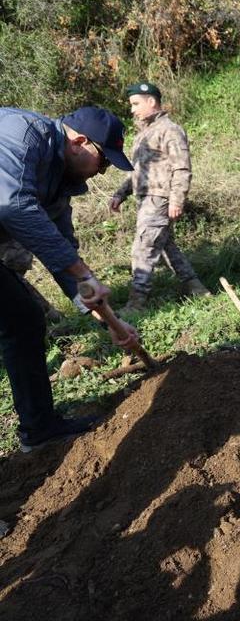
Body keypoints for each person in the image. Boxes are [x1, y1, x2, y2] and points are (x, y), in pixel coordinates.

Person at [0, 106, 141, 450]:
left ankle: (40, 428)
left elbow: (62, 250)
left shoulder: (60, 181)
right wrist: (81, 272)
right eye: (103, 161)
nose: (102, 171)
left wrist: (109, 320)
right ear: (79, 142)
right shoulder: (21, 134)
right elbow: (13, 206)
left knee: (23, 319)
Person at [110, 82, 210, 311]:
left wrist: (177, 200)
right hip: (145, 198)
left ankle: (136, 303)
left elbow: (181, 168)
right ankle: (195, 287)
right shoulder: (144, 134)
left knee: (143, 247)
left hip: (159, 198)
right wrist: (121, 193)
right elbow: (138, 171)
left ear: (151, 102)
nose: (132, 110)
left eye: (136, 104)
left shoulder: (170, 130)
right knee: (165, 245)